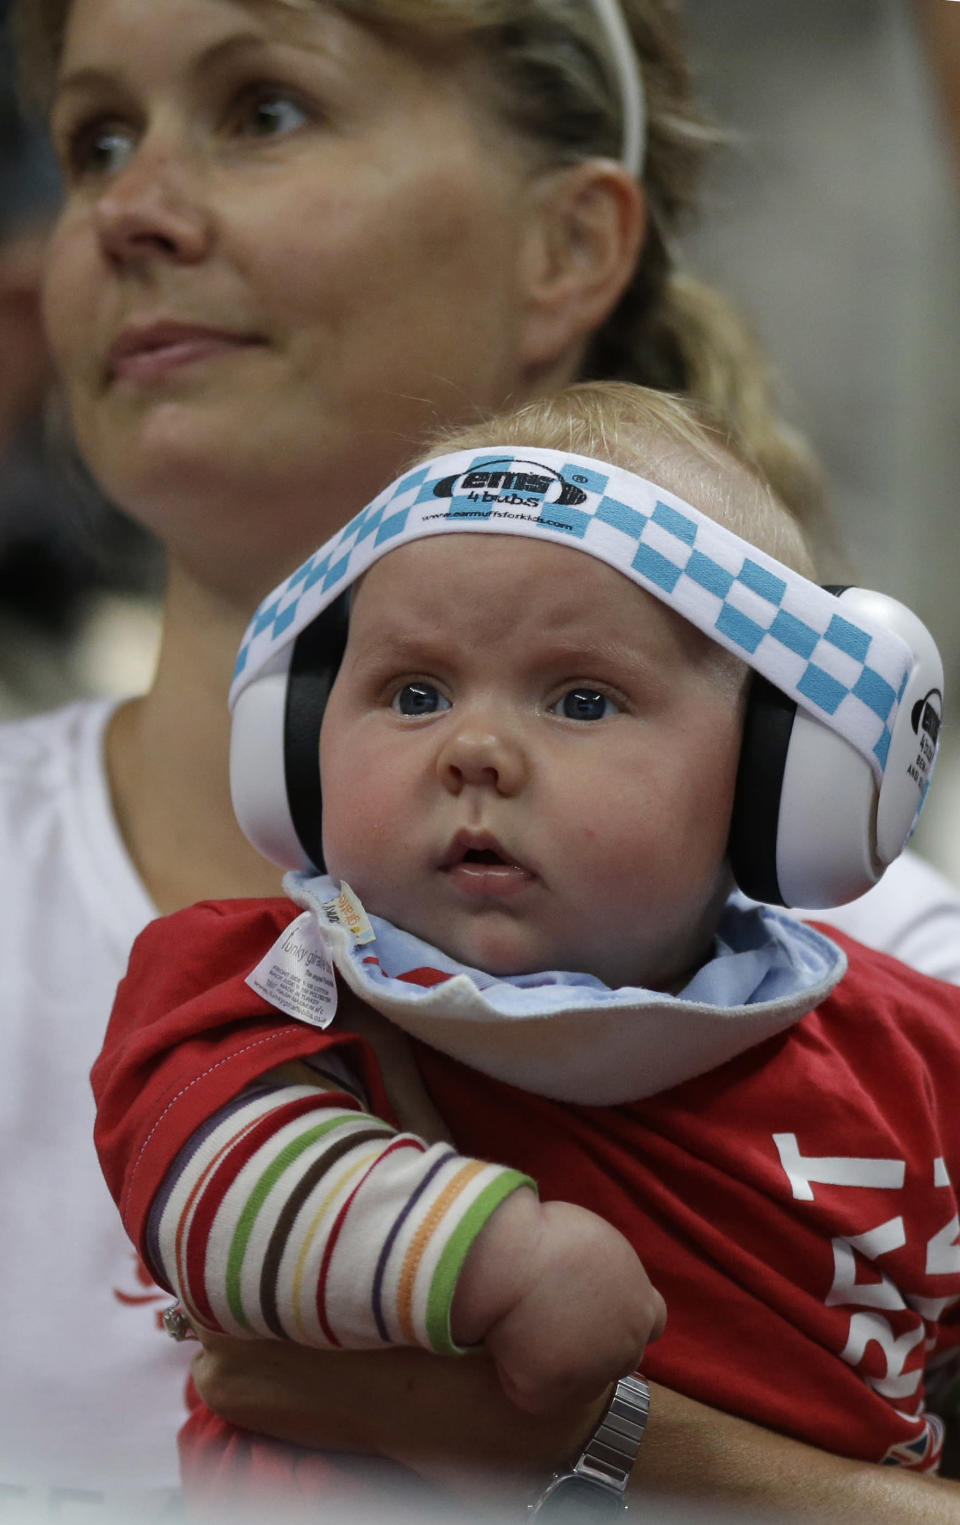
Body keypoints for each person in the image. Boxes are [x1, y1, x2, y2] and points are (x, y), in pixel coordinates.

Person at [5, 0, 960, 1517]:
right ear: (298, 741)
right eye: (94, 139)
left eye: (263, 109)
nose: (129, 209)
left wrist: (618, 1441)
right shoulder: (232, 991)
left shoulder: (915, 1012)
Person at [94, 383, 960, 1515]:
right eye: (414, 691)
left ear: (782, 775)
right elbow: (213, 1195)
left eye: (583, 700)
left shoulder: (919, 1058)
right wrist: (501, 1258)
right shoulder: (263, 985)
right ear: (296, 749)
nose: (478, 749)